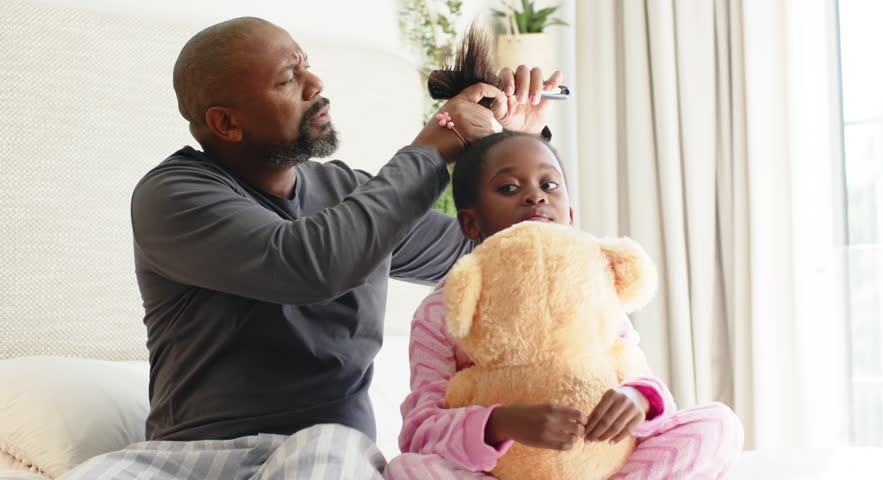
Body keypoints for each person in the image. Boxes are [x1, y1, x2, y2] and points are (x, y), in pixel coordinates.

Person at [60, 16, 561, 480]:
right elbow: (307, 265)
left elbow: (495, 261)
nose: (316, 86)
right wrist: (433, 149)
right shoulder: (173, 197)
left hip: (327, 448)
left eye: (307, 66)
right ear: (226, 124)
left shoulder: (351, 195)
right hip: (196, 456)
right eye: (287, 80)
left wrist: (519, 149)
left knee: (327, 452)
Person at [383, 130, 745, 480]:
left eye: (549, 185)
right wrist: (500, 423)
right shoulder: (441, 312)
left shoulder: (596, 288)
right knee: (407, 470)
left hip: (602, 464)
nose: (534, 197)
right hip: (503, 473)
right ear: (470, 221)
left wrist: (637, 398)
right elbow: (420, 433)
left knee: (718, 424)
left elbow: (641, 376)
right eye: (509, 187)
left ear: (569, 214)